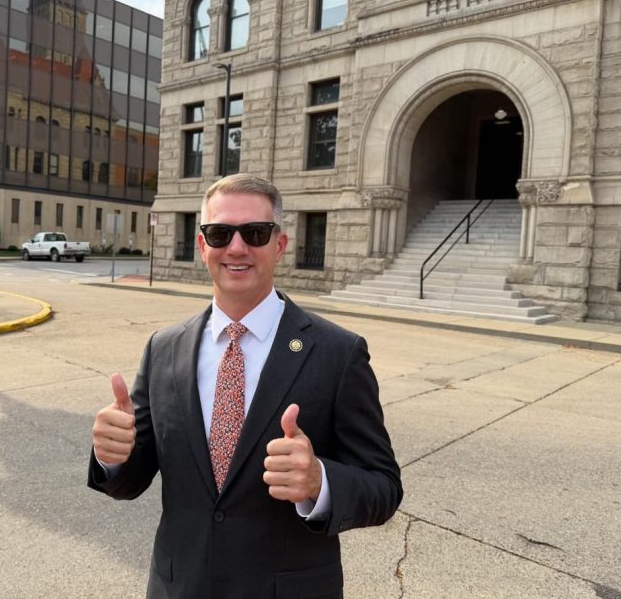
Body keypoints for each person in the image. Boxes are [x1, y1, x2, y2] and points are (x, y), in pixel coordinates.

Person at [89, 174, 402, 598]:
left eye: (255, 233)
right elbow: (132, 477)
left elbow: (384, 487)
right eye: (220, 233)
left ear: (279, 245)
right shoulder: (164, 348)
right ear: (203, 246)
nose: (236, 248)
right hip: (179, 588)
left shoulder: (337, 353)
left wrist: (320, 482)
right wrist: (112, 457)